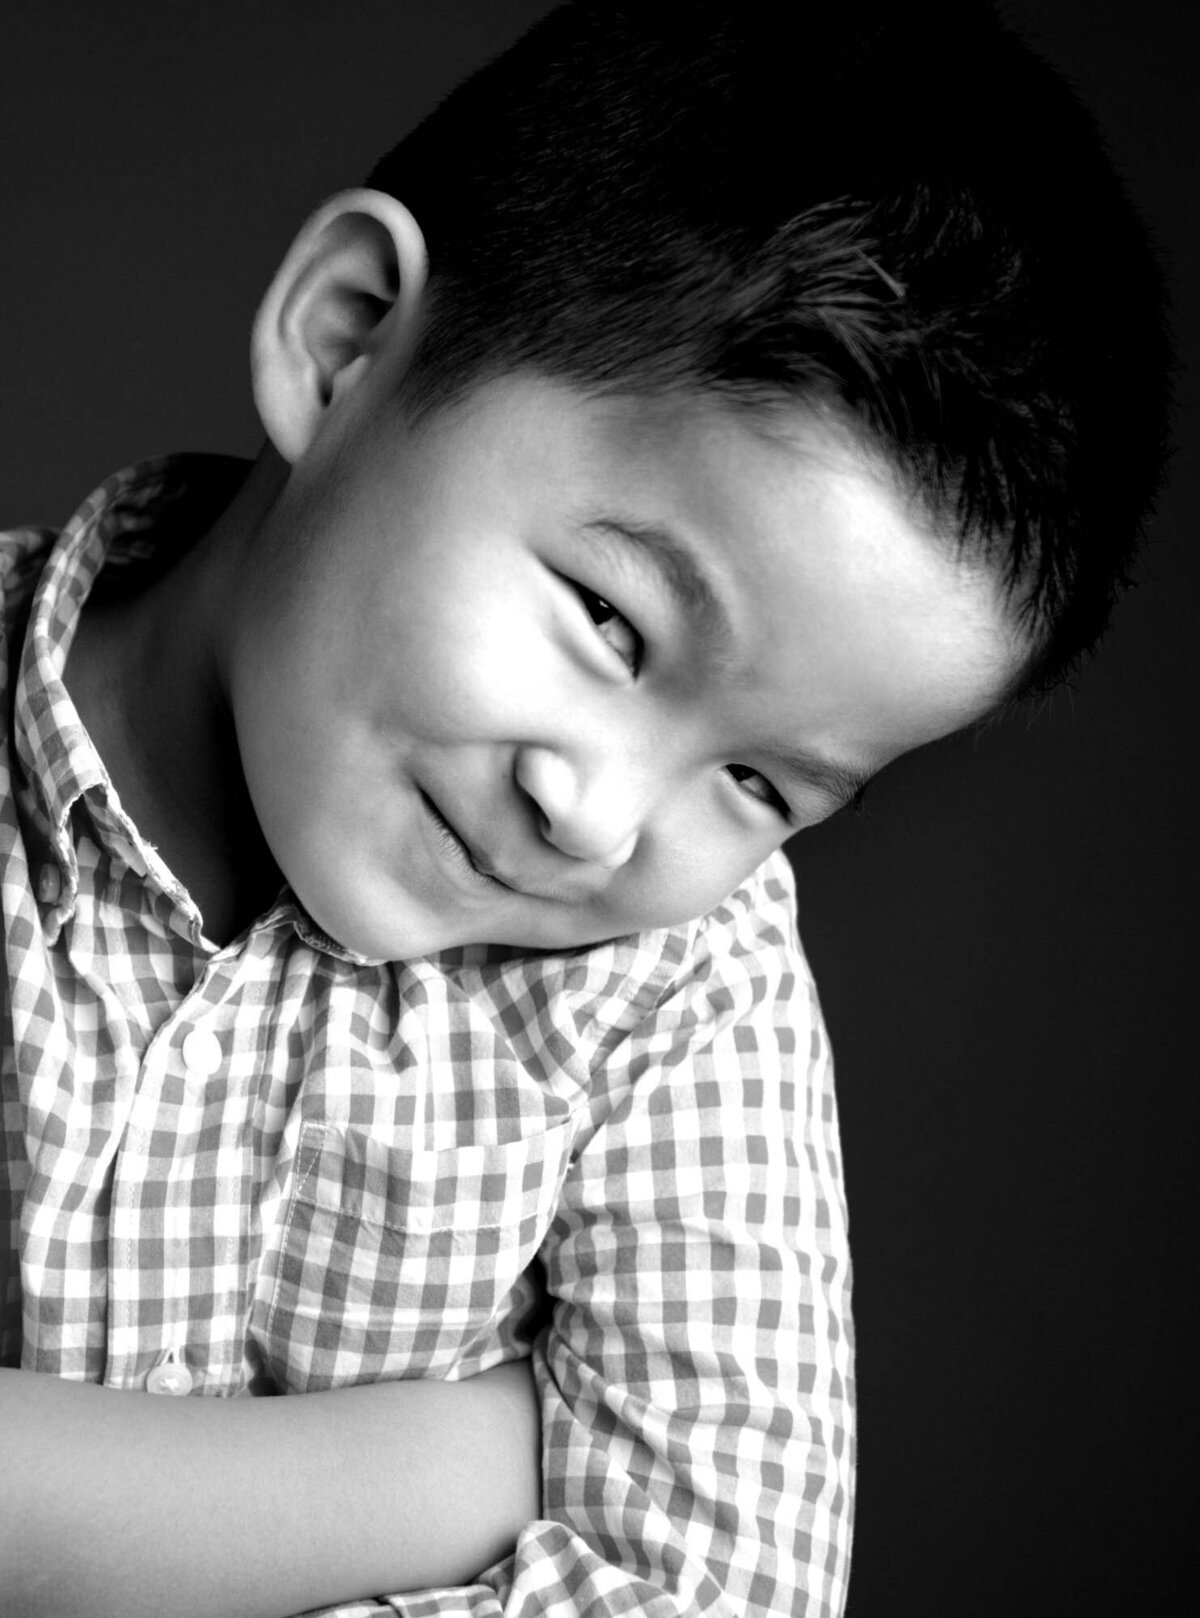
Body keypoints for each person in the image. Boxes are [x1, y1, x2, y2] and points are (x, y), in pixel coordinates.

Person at [0, 2, 1170, 1615]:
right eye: (612, 620)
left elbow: (718, 1592)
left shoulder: (681, 977)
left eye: (759, 781)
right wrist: (437, 1470)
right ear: (346, 342)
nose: (599, 819)